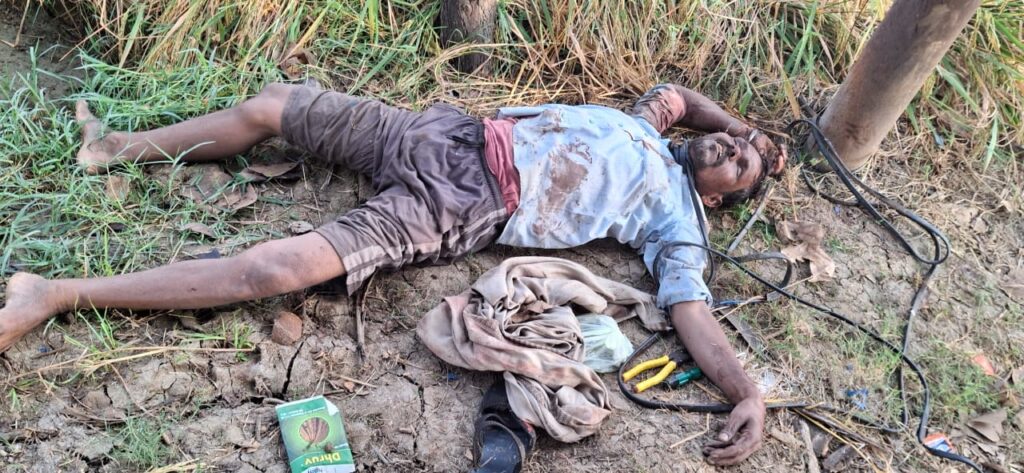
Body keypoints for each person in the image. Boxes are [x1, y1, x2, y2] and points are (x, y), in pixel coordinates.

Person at [0, 81, 785, 466]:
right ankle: (114, 148)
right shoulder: (650, 127)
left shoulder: (678, 219)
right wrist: (740, 130)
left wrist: (745, 391)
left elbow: (691, 309)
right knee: (273, 106)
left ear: (723, 199)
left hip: (466, 200)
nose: (729, 149)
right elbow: (679, 98)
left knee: (279, 267)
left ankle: (54, 294)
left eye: (739, 164)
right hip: (443, 133)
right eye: (734, 141)